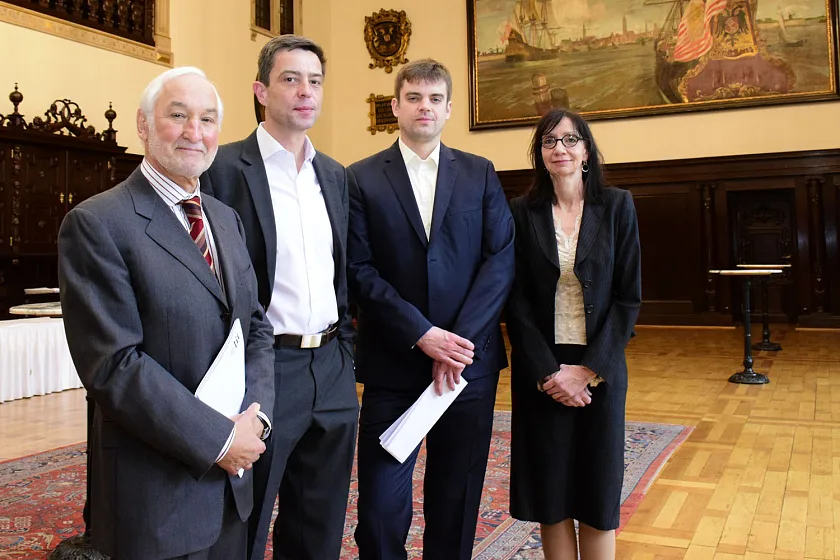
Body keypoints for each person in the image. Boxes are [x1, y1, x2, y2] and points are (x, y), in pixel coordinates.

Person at [57, 67, 275, 560]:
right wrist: (220, 440)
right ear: (143, 124)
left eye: (208, 118)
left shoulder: (224, 217)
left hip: (233, 486)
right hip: (157, 495)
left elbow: (255, 327)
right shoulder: (97, 223)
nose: (195, 132)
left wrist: (255, 423)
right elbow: (113, 365)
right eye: (178, 116)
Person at [347, 58, 515, 560]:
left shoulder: (480, 173)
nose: (425, 107)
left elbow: (500, 260)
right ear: (395, 105)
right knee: (378, 506)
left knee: (455, 497)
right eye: (414, 97)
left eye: (435, 98)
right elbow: (359, 268)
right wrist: (422, 333)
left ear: (448, 109)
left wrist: (455, 343)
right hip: (394, 362)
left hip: (468, 366)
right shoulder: (360, 178)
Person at [201, 35, 358, 560]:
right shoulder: (222, 170)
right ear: (261, 92)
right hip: (266, 370)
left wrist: (346, 352)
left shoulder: (334, 175)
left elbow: (344, 274)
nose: (305, 92)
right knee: (245, 518)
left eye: (315, 81)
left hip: (332, 367)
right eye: (290, 79)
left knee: (320, 522)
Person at [505, 109, 641, 560]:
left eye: (569, 140)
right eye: (548, 142)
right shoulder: (522, 212)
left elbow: (628, 298)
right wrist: (549, 372)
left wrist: (586, 370)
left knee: (597, 492)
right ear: (540, 155)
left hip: (598, 368)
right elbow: (517, 300)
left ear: (586, 150)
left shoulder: (617, 205)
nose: (559, 148)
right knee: (552, 492)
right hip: (542, 369)